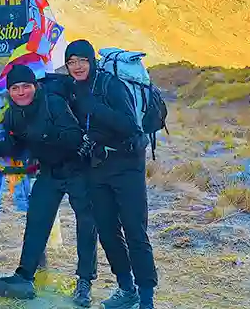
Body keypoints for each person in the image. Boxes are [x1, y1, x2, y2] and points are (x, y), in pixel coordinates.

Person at [0, 64, 97, 306]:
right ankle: (24, 276)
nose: (21, 92)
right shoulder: (13, 114)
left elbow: (74, 137)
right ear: (9, 92)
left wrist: (43, 135)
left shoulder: (54, 104)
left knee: (86, 224)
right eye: (15, 88)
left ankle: (84, 283)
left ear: (35, 87)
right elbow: (16, 146)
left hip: (78, 169)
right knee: (37, 219)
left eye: (25, 86)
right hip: (48, 172)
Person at [65, 39, 158, 309]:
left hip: (128, 164)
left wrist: (94, 107)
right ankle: (126, 289)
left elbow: (130, 125)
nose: (77, 66)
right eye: (71, 62)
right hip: (98, 167)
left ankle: (146, 299)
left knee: (135, 230)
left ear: (92, 61)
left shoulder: (110, 85)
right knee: (107, 230)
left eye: (82, 60)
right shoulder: (73, 88)